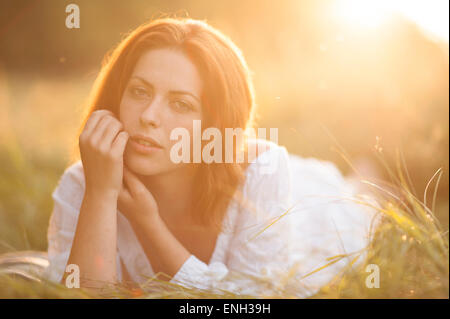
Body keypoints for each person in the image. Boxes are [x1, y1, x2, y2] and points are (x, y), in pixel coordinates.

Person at [45, 17, 377, 297]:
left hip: (312, 211)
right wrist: (101, 194)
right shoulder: (85, 183)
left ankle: (371, 173)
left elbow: (247, 300)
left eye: (181, 104)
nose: (149, 115)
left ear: (214, 124)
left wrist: (149, 224)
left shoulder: (262, 173)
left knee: (362, 198)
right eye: (140, 91)